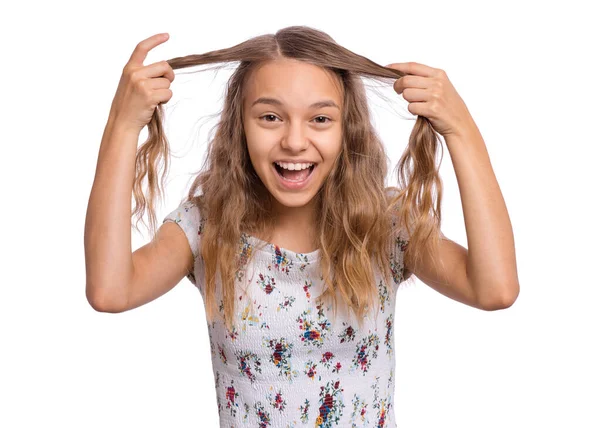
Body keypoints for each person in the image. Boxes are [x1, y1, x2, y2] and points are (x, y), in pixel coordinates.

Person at [84, 26, 519, 427]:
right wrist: (122, 125)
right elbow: (110, 290)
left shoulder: (385, 225)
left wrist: (460, 128)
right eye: (270, 117)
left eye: (320, 119)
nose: (294, 140)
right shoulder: (206, 227)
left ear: (347, 131)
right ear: (240, 128)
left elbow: (494, 289)